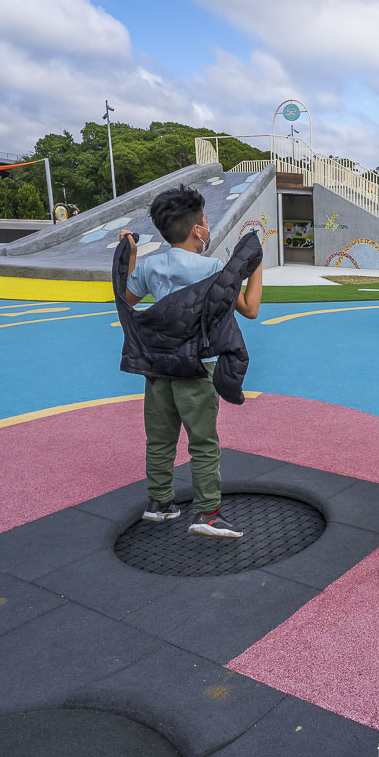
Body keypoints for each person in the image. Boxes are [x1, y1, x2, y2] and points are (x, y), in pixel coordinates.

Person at [120, 185, 263, 539]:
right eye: (206, 222)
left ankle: (159, 503)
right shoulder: (212, 267)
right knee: (202, 441)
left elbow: (127, 299)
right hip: (198, 365)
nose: (208, 228)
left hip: (156, 367)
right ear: (198, 230)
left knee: (160, 438)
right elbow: (250, 309)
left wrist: (132, 258)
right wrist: (254, 267)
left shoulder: (151, 267)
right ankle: (208, 513)